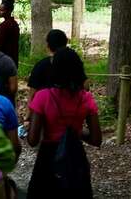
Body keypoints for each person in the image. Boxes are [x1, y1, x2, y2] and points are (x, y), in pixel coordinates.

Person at [27, 47, 101, 198]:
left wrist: (29, 128)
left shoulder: (42, 97)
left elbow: (33, 140)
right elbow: (96, 139)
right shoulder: (86, 98)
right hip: (75, 157)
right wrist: (76, 131)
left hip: (48, 159)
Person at [25, 29, 69, 124]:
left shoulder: (40, 65)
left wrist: (27, 117)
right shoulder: (73, 65)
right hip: (69, 115)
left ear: (48, 46)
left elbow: (32, 94)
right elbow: (85, 87)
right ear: (66, 43)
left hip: (44, 115)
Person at [0, 0, 20, 66]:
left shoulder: (4, 25)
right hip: (14, 58)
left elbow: (0, 43)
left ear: (8, 11)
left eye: (2, 10)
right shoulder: (14, 23)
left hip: (5, 59)